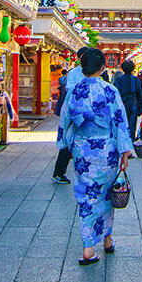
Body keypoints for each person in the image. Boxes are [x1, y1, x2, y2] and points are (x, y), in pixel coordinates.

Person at [59, 48, 132, 265]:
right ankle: (107, 239)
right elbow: (120, 121)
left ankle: (88, 247)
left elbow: (65, 119)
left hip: (83, 149)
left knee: (87, 196)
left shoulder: (73, 90)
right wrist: (124, 151)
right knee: (106, 194)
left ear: (82, 68)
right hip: (106, 150)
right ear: (102, 67)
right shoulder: (110, 90)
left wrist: (66, 142)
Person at [53, 47, 88, 184]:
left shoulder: (97, 73)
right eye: (83, 57)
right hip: (75, 111)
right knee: (68, 139)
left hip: (91, 114)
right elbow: (70, 90)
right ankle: (59, 172)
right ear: (78, 58)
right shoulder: (74, 73)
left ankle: (86, 173)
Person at [113, 60, 142, 139]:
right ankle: (130, 141)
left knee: (122, 123)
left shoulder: (118, 80)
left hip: (122, 102)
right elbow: (141, 94)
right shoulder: (136, 80)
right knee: (132, 124)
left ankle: (122, 140)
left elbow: (115, 94)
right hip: (133, 102)